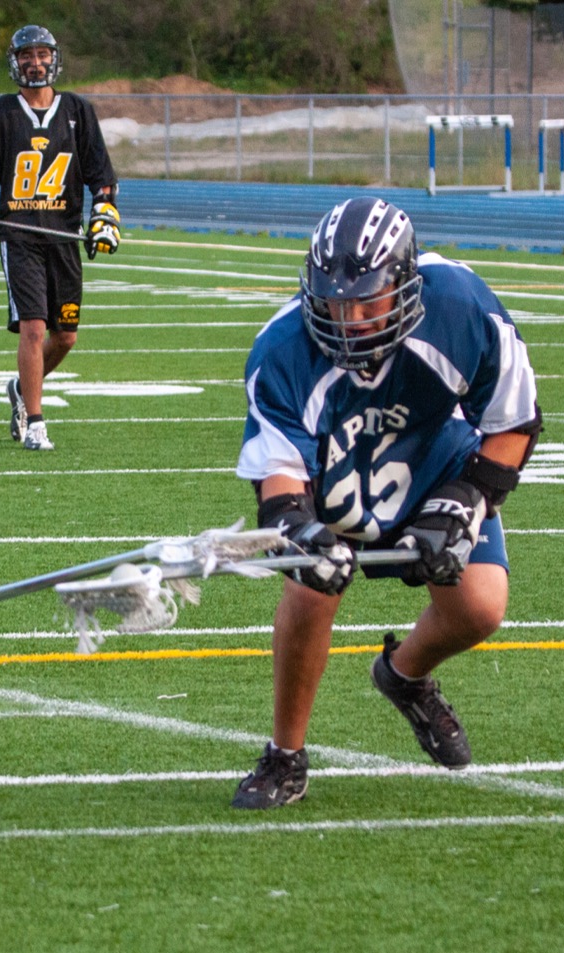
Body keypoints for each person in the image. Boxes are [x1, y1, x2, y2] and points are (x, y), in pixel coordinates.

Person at [231, 196, 541, 809]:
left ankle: (403, 675)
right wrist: (301, 535)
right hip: (335, 473)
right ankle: (285, 755)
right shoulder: (283, 350)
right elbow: (281, 485)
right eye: (333, 303)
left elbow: (515, 423)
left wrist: (464, 499)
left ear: (406, 285)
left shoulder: (462, 309)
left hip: (435, 463)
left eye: (366, 302)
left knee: (479, 609)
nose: (347, 321)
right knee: (310, 590)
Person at [0, 24, 120, 452]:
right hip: (19, 235)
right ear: (15, 62)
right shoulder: (0, 114)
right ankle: (36, 422)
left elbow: (102, 179)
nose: (36, 62)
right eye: (27, 55)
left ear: (54, 58)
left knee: (65, 337)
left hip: (63, 234)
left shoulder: (77, 112)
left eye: (43, 54)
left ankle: (20, 388)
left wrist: (104, 215)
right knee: (33, 327)